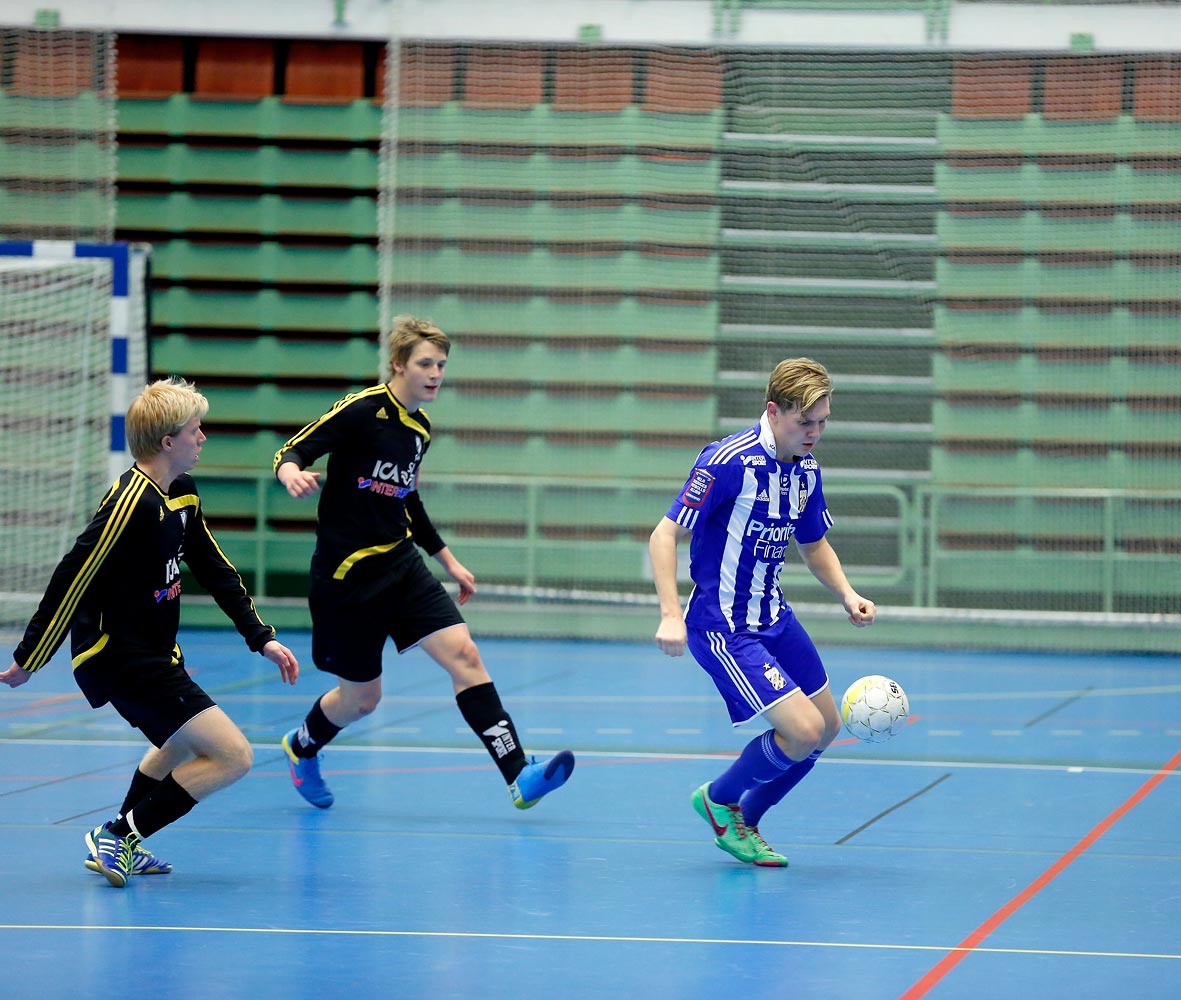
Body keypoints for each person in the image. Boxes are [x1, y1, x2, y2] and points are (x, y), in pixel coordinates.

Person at [0, 377, 301, 888]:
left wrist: (261, 636)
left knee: (179, 745)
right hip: (117, 655)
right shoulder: (129, 504)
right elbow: (71, 577)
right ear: (168, 442)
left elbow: (215, 566)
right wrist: (29, 659)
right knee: (233, 756)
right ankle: (118, 834)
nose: (202, 437)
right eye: (195, 430)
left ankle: (124, 841)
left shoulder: (180, 492)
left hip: (157, 652)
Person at [272, 315, 574, 812]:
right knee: (362, 700)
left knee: (465, 655)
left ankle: (519, 773)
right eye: (425, 363)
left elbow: (406, 500)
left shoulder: (419, 429)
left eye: (441, 365)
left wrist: (448, 560)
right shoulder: (361, 410)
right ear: (398, 364)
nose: (435, 373)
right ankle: (302, 746)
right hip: (348, 579)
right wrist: (291, 473)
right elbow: (294, 448)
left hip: (402, 566)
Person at [649, 357, 876, 867]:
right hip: (724, 626)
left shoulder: (807, 470)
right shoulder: (725, 461)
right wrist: (669, 613)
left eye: (822, 422)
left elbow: (813, 543)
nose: (814, 433)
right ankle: (718, 800)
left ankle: (745, 821)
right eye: (804, 422)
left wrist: (846, 591)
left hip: (775, 618)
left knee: (826, 726)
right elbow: (664, 533)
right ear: (773, 411)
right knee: (801, 730)